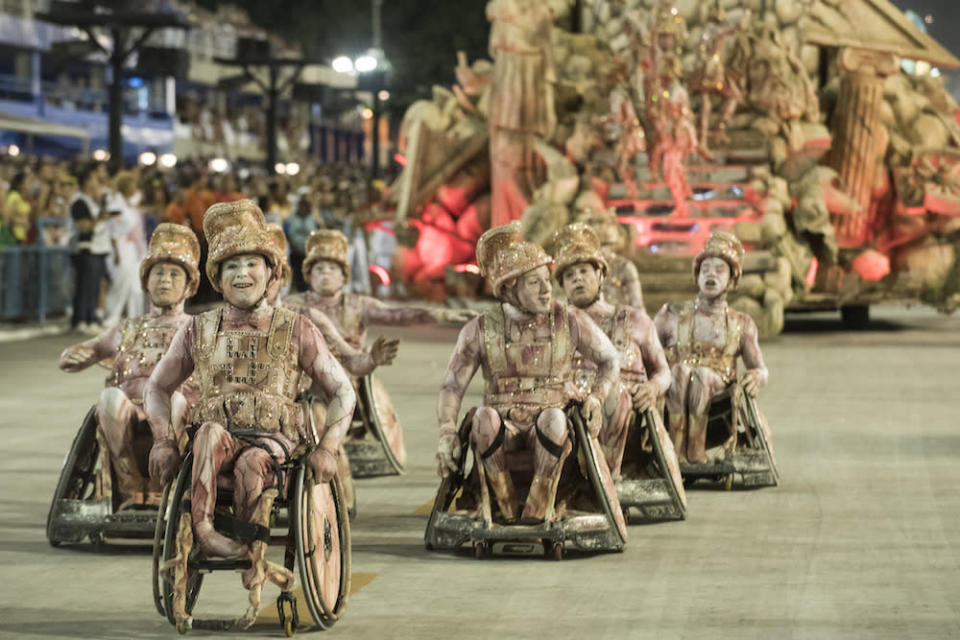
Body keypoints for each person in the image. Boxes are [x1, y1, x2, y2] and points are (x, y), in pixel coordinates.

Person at [145, 200, 355, 621]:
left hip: (273, 446)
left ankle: (251, 551)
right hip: (215, 439)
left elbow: (343, 391)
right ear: (218, 280)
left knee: (253, 463)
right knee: (204, 435)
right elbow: (157, 386)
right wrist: (164, 440)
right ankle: (206, 534)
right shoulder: (198, 328)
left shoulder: (295, 326)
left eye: (251, 264)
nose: (242, 274)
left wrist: (329, 447)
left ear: (271, 272)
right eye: (231, 267)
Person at [435, 221, 619, 523]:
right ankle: (503, 506)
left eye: (548, 279)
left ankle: (538, 508)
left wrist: (597, 397)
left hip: (552, 424)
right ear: (509, 288)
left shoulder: (568, 319)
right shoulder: (479, 329)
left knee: (553, 419)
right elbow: (452, 386)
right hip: (502, 426)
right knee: (482, 418)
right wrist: (446, 432)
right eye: (535, 282)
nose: (548, 288)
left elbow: (610, 359)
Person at [58, 224, 201, 508]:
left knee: (173, 399)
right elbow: (93, 348)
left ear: (189, 286)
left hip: (181, 413)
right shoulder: (128, 328)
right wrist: (75, 354)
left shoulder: (198, 328)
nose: (165, 280)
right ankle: (130, 485)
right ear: (146, 281)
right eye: (158, 273)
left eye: (175, 274)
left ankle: (165, 483)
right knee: (109, 397)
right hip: (128, 412)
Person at [551, 223, 672, 477]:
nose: (578, 279)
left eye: (584, 271)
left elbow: (663, 371)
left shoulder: (635, 320)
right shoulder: (554, 327)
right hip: (570, 412)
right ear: (562, 285)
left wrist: (651, 389)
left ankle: (605, 480)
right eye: (570, 276)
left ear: (601, 276)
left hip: (624, 414)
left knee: (613, 395)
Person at [654, 231, 768, 464]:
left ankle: (696, 450)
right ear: (696, 276)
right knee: (680, 371)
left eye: (719, 270)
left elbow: (760, 368)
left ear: (732, 279)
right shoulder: (671, 314)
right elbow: (649, 353)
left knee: (701, 376)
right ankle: (674, 450)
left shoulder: (741, 323)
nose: (711, 275)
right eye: (705, 269)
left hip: (718, 388)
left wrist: (756, 376)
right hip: (677, 386)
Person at [286, 229, 473, 353]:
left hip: (350, 382)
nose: (326, 274)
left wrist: (442, 315)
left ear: (344, 276)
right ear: (308, 275)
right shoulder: (292, 306)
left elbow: (399, 315)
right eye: (319, 269)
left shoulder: (358, 306)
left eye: (332, 268)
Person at [69, 165, 111, 333]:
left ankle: (91, 317)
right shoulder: (79, 201)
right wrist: (100, 218)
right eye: (94, 178)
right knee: (85, 285)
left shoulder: (94, 201)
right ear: (86, 182)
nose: (97, 182)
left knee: (95, 285)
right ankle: (81, 318)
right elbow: (84, 226)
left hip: (98, 250)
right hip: (86, 250)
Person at [103, 171, 147, 327]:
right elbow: (112, 228)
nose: (135, 186)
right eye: (132, 183)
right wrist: (116, 252)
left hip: (135, 249)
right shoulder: (115, 204)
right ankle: (112, 316)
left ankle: (135, 318)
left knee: (136, 287)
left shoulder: (133, 206)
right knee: (120, 284)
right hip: (121, 247)